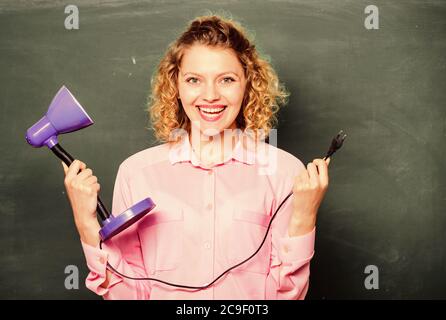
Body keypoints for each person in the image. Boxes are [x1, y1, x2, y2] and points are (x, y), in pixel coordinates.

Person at [62, 14, 330, 300]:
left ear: (248, 84)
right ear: (176, 84)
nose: (210, 95)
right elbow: (127, 294)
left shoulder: (284, 172)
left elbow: (288, 294)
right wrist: (85, 221)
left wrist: (304, 216)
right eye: (194, 80)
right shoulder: (136, 172)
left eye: (226, 79)